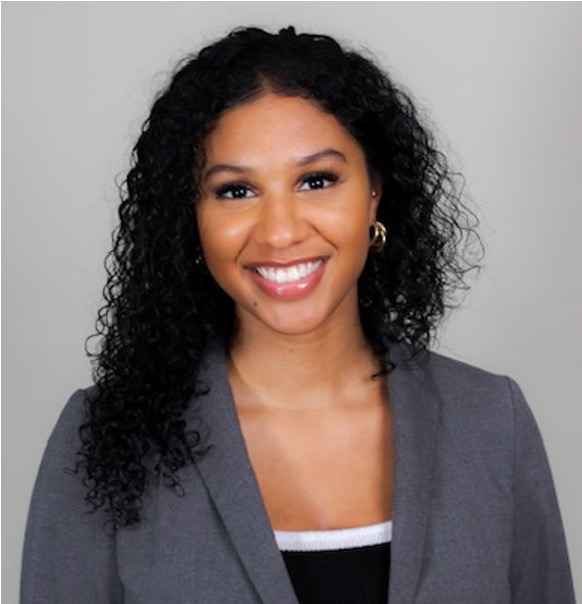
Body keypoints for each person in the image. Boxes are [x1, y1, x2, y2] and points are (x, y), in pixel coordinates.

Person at [20, 25, 576, 604]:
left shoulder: (491, 422)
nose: (281, 232)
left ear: (374, 195)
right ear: (192, 218)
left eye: (317, 180)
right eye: (235, 191)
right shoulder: (109, 439)